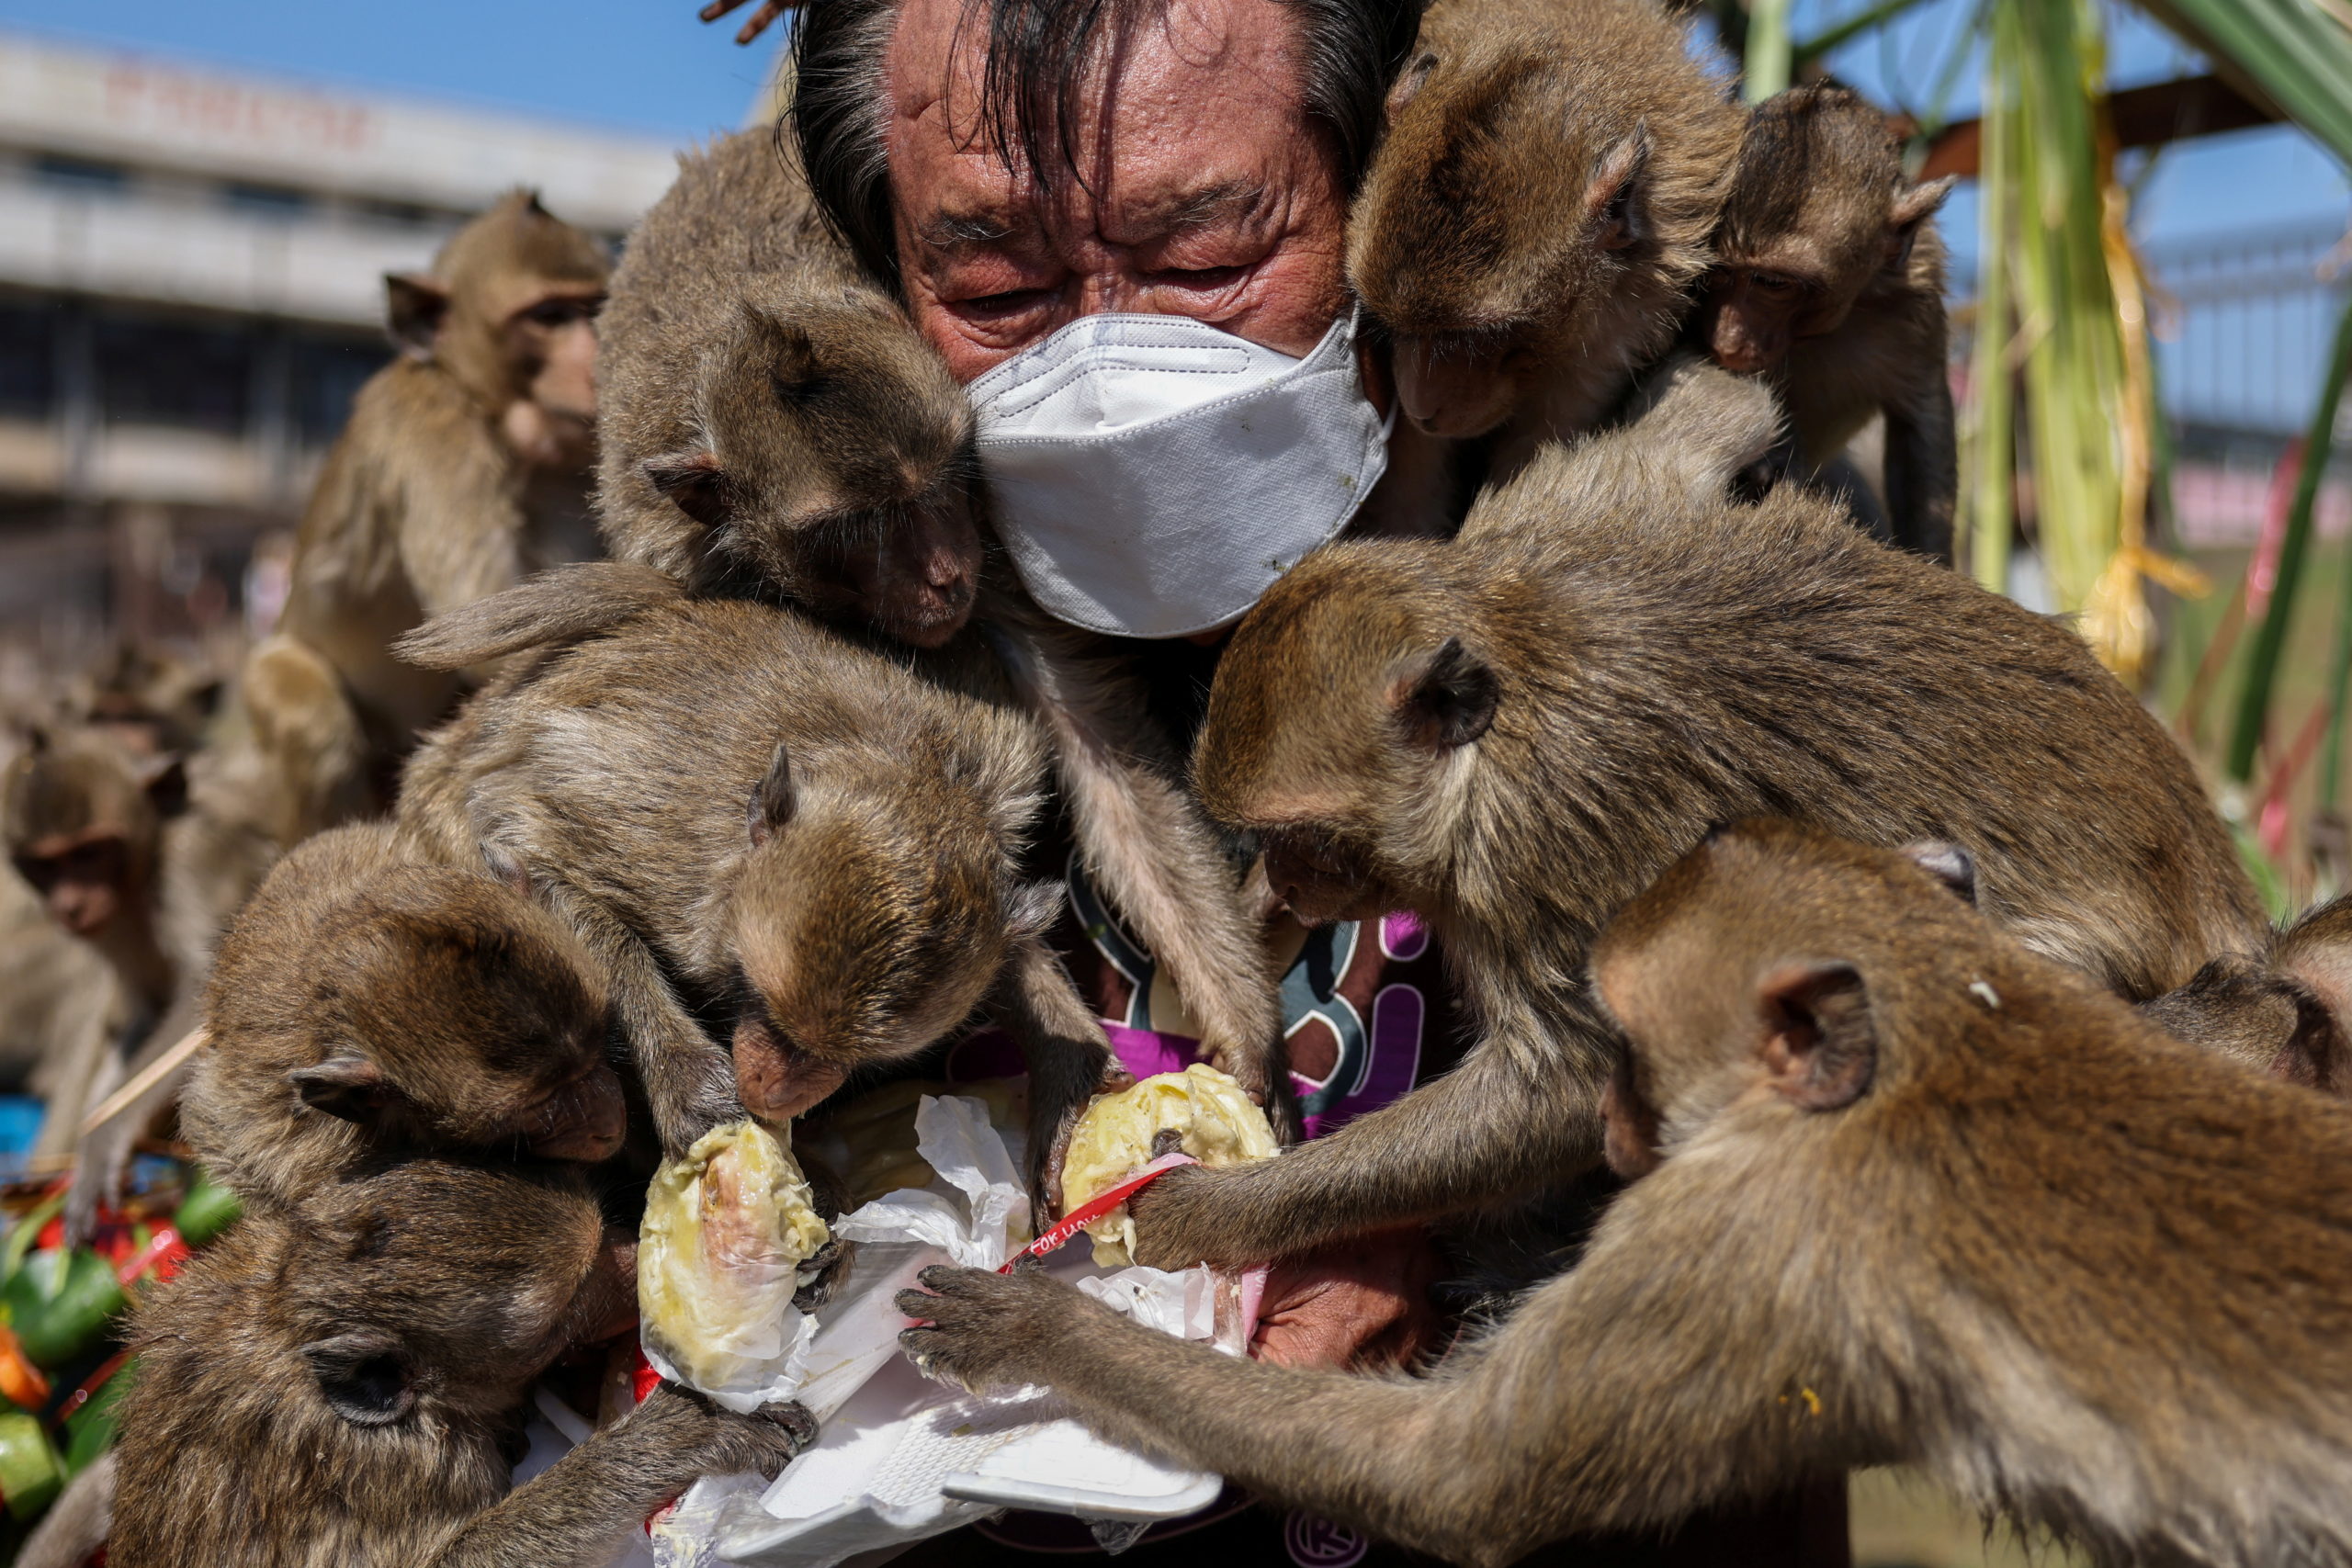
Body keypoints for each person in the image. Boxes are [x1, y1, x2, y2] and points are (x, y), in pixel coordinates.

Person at [701, 0, 1849, 1562]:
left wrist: (1474, 1243)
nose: (1110, 366)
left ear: (1388, 188)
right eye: (997, 286)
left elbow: (1858, 1152)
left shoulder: (1688, 488)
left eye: (1208, 262)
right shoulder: (819, 546)